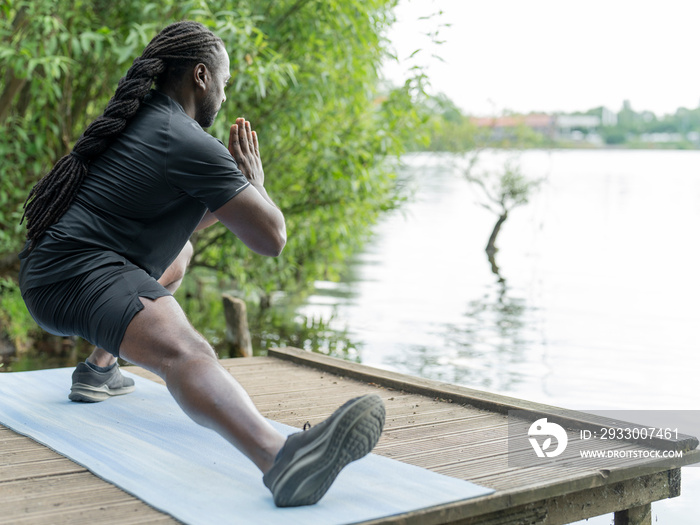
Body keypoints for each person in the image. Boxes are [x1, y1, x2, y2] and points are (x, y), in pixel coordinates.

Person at [17, 20, 385, 508]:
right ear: (201, 76)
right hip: (74, 275)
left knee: (182, 251)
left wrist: (237, 191)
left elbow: (203, 216)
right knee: (185, 350)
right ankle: (282, 460)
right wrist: (255, 181)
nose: (226, 98)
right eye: (225, 83)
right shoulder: (183, 139)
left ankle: (98, 372)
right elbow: (272, 237)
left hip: (56, 269)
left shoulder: (144, 118)